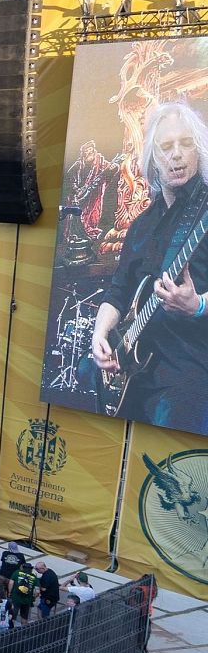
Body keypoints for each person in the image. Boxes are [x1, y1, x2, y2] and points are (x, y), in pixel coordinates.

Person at [90, 101, 208, 431]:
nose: (177, 155)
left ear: (198, 151)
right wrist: (100, 334)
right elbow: (118, 292)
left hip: (190, 372)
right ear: (153, 159)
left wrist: (197, 305)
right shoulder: (142, 225)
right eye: (166, 147)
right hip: (137, 372)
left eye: (186, 144)